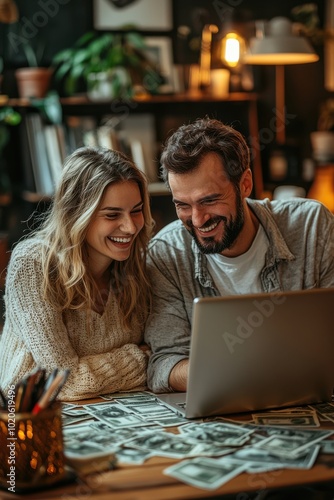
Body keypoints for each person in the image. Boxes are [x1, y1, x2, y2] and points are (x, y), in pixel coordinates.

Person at [144, 117, 334, 394]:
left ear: (244, 184)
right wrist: (250, 372)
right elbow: (165, 364)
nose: (197, 220)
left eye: (209, 200)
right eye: (183, 205)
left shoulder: (311, 226)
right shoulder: (166, 255)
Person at [0, 147, 154, 401]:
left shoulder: (136, 267)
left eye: (136, 211)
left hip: (120, 411)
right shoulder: (33, 265)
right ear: (76, 214)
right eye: (112, 215)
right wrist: (141, 358)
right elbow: (63, 382)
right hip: (33, 420)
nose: (130, 227)